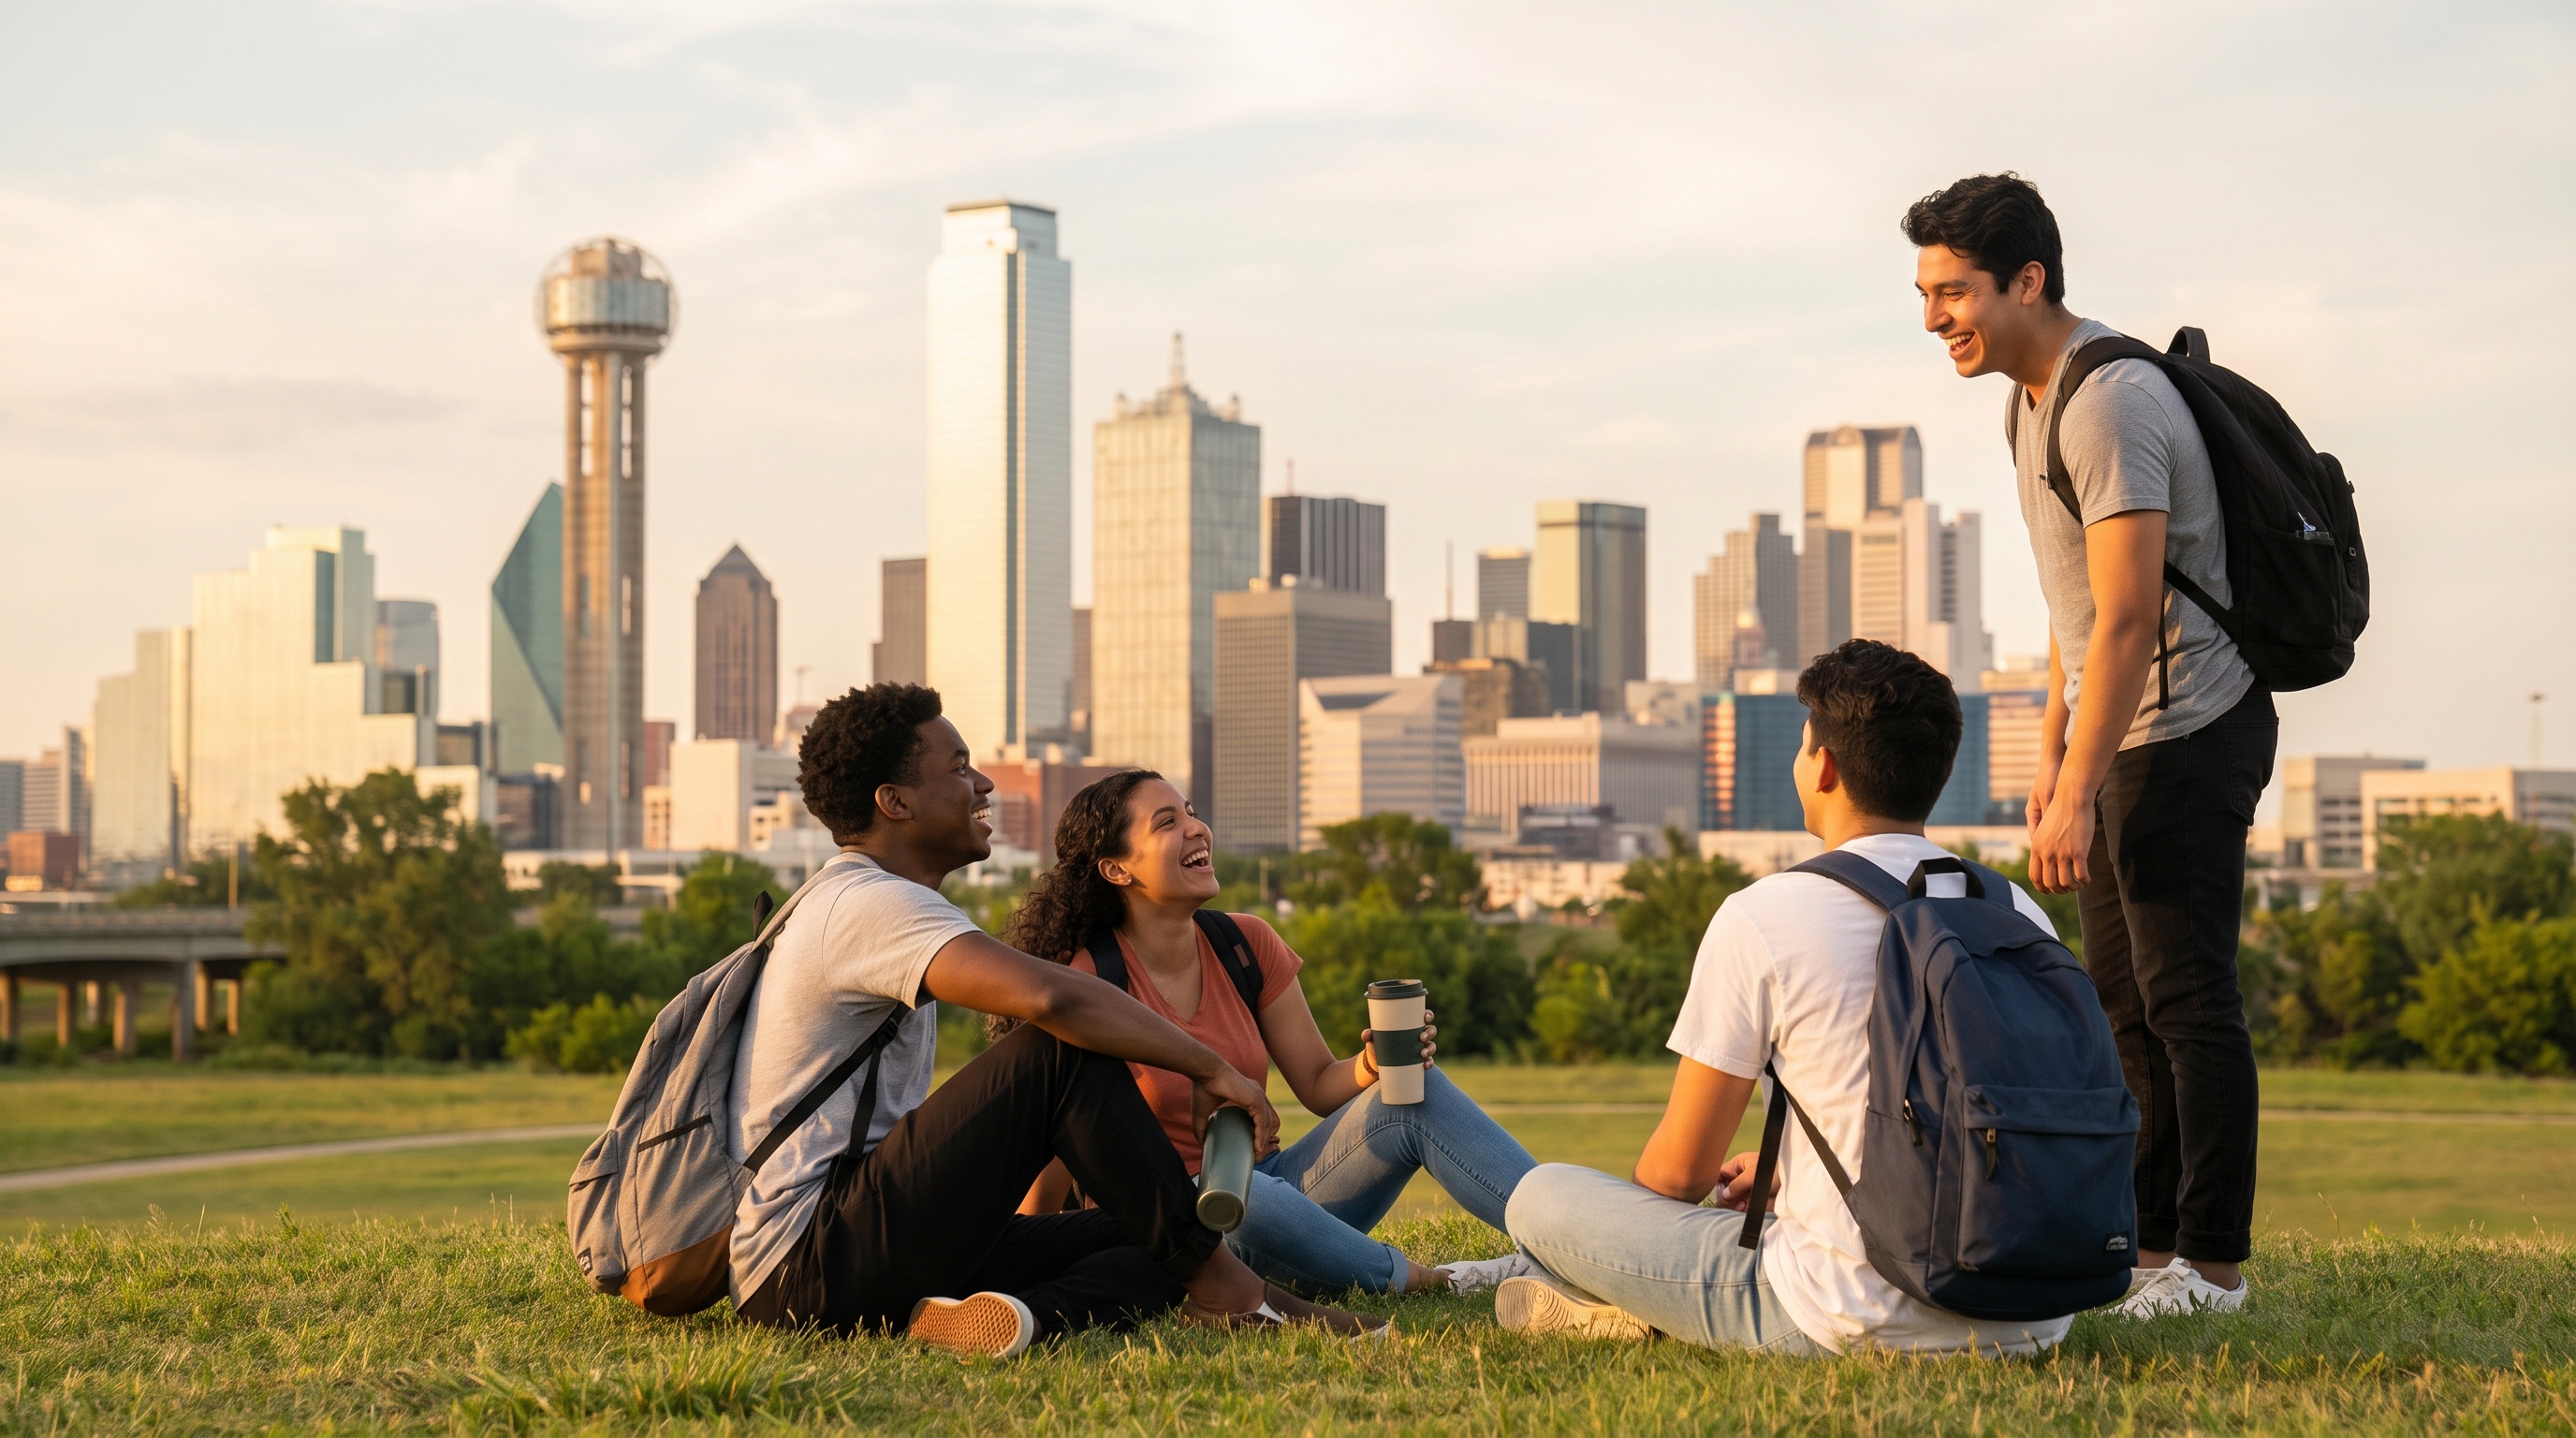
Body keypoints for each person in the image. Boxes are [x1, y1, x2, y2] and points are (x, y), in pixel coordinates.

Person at [724, 682, 1383, 1358]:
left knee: (1155, 1234)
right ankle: (1236, 1296)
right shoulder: (867, 903)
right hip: (808, 1259)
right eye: (956, 768)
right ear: (893, 802)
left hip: (875, 1246)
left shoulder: (870, 898)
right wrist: (1211, 1067)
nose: (981, 784)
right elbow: (1053, 1001)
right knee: (1059, 1049)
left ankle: (1015, 1318)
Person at [1906, 172, 2272, 1317]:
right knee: (2122, 1004)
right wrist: (2054, 749)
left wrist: (2075, 790)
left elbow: (2127, 619)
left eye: (1953, 291)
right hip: (2121, 729)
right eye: (1923, 294)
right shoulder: (2031, 399)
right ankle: (2151, 1254)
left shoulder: (2106, 400)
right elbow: (2075, 611)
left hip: (2190, 723)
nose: (1934, 319)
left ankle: (2212, 1266)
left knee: (2186, 1001)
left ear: (2029, 280)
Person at [1500, 640, 2075, 1357]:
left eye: (1805, 747)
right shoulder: (2017, 908)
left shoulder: (1767, 913)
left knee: (1539, 1196)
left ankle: (1603, 1292)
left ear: (1824, 767)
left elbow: (1679, 1174)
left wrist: (1624, 1234)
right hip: (2036, 1311)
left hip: (1848, 1317)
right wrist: (1791, 1170)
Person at [1001, 769, 1542, 1298]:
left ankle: (1564, 1239)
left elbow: (1316, 1082)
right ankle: (1442, 1282)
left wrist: (1372, 1067)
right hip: (1179, 1234)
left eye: (1191, 812)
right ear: (1117, 870)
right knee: (1240, 1197)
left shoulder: (1244, 944)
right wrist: (1034, 1265)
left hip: (1280, 1195)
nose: (1195, 828)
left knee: (1413, 1095)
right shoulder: (1086, 985)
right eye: (1166, 822)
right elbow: (1053, 1152)